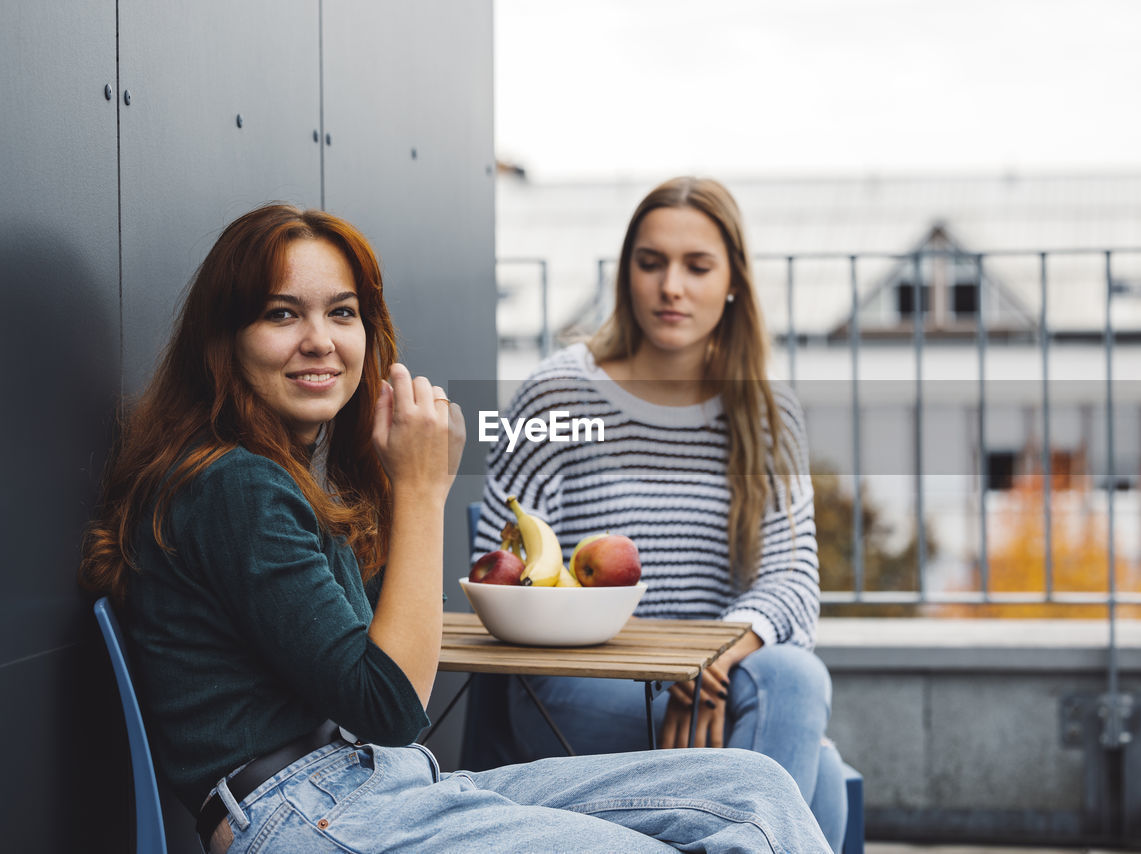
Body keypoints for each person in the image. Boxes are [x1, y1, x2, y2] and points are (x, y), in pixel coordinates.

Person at [79, 203, 832, 854]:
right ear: (226, 340)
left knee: (755, 790)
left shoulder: (285, 480)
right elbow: (392, 706)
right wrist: (421, 490)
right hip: (306, 810)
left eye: (342, 313)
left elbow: (367, 675)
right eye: (283, 313)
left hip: (376, 785)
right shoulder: (234, 486)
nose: (320, 340)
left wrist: (379, 481)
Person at [473, 177, 849, 849]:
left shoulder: (765, 412)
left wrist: (708, 662)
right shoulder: (558, 396)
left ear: (733, 281)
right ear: (627, 274)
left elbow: (793, 583)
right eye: (651, 263)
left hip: (718, 682)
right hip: (578, 687)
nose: (671, 286)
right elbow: (502, 572)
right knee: (808, 764)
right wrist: (671, 669)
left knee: (792, 676)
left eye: (697, 266)